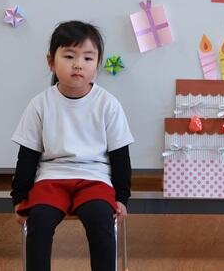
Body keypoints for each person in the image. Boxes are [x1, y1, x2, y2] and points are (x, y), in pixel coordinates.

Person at [10, 20, 134, 271]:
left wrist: (122, 197)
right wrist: (19, 198)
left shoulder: (108, 104)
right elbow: (28, 155)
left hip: (95, 179)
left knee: (100, 218)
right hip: (52, 179)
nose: (78, 64)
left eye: (88, 58)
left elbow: (120, 154)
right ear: (51, 62)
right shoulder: (40, 104)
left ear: (97, 65)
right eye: (69, 56)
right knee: (40, 219)